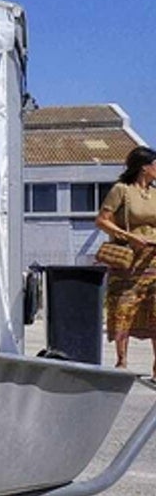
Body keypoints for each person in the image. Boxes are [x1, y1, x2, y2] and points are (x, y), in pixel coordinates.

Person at [96, 146, 156, 375]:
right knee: (124, 308)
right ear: (145, 167)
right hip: (128, 261)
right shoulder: (121, 190)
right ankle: (122, 361)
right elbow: (102, 220)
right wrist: (130, 236)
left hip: (154, 261)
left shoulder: (155, 193)